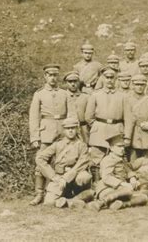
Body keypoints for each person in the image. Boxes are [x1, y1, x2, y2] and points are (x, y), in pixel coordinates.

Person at [29, 64, 73, 205]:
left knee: (63, 161)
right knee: (41, 162)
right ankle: (39, 193)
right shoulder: (39, 94)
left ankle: (59, 192)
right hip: (46, 132)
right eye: (50, 75)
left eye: (55, 75)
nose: (53, 78)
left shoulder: (65, 93)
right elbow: (34, 117)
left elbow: (71, 114)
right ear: (45, 77)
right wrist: (35, 137)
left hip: (63, 131)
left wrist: (71, 132)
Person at [85, 66, 133, 183]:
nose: (110, 80)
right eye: (107, 77)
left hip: (117, 130)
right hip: (99, 130)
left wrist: (127, 137)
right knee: (96, 159)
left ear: (116, 79)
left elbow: (129, 118)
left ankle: (118, 184)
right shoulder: (95, 95)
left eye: (112, 77)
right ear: (103, 78)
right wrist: (99, 126)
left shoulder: (123, 96)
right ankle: (96, 185)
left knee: (118, 159)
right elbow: (88, 116)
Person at [36, 118, 93, 208]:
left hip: (75, 177)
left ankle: (72, 198)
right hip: (59, 177)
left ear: (77, 129)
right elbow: (40, 158)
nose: (70, 131)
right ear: (64, 130)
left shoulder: (82, 145)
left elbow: (81, 163)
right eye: (68, 128)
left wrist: (66, 178)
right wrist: (53, 176)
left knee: (84, 177)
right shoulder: (57, 144)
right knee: (49, 203)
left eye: (73, 128)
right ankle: (71, 200)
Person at [87, 134, 148, 211]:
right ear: (111, 148)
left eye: (123, 146)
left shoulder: (121, 159)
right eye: (119, 146)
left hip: (121, 190)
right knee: (127, 191)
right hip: (106, 188)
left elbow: (128, 169)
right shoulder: (108, 160)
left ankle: (121, 204)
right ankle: (100, 203)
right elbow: (106, 178)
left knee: (144, 197)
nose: (122, 149)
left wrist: (132, 178)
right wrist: (123, 184)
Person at [128, 74, 148, 161]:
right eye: (137, 84)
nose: (139, 87)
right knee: (132, 163)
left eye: (142, 85)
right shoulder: (127, 100)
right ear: (132, 85)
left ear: (145, 86)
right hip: (132, 136)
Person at [64, 71, 90, 144]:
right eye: (70, 82)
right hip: (68, 129)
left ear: (79, 82)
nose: (73, 84)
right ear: (66, 83)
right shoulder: (62, 96)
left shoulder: (86, 97)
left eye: (75, 81)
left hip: (83, 129)